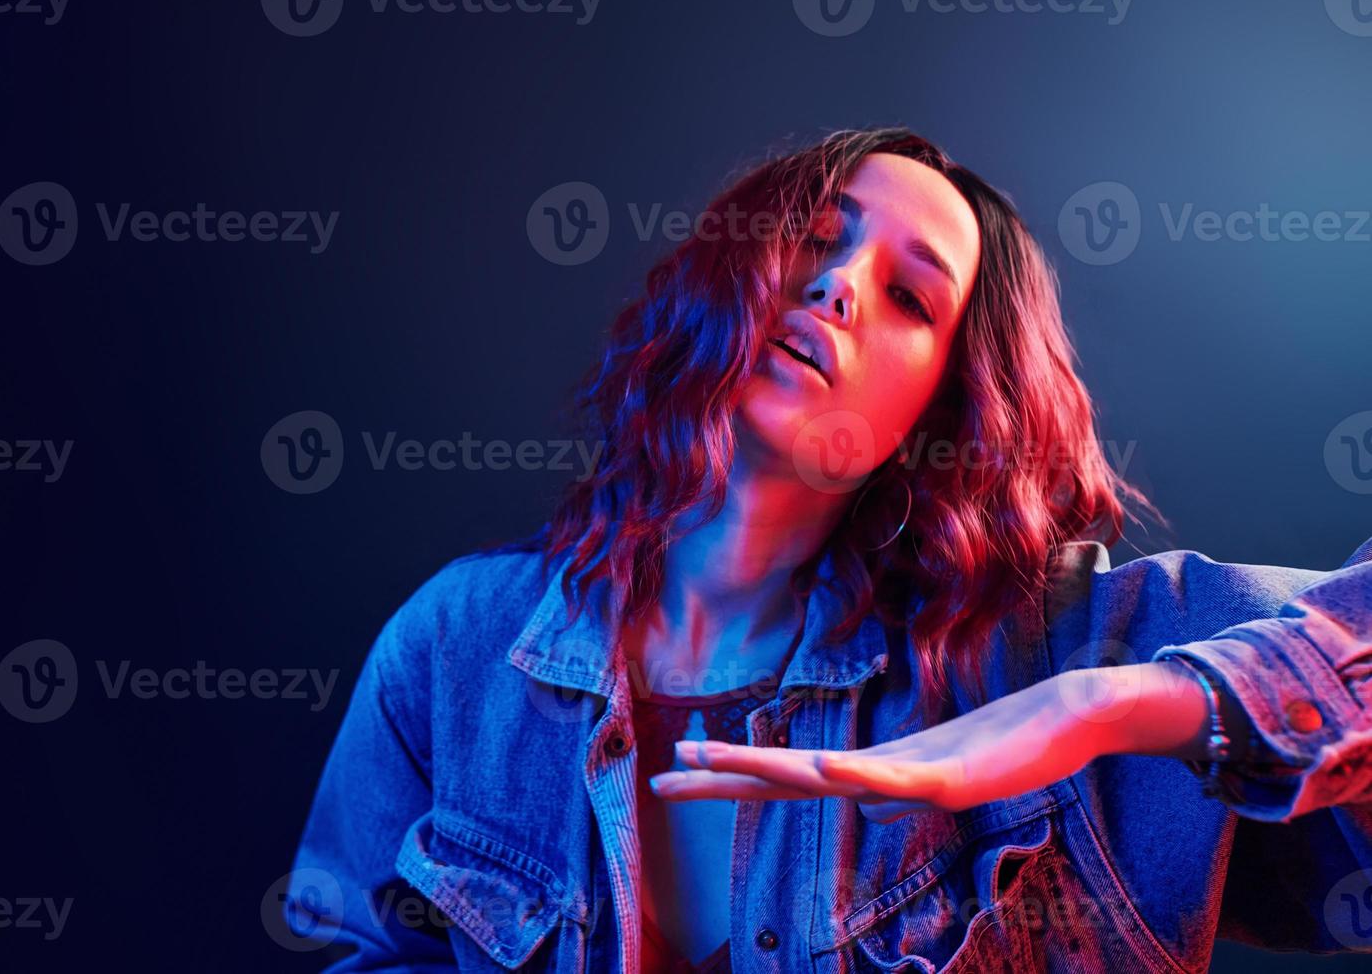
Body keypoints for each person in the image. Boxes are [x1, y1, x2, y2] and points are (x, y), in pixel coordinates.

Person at [284, 127, 1372, 972]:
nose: (840, 285)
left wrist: (1099, 708)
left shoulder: (1066, 646)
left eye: (909, 294)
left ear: (944, 406)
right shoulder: (457, 645)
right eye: (815, 233)